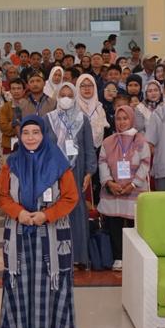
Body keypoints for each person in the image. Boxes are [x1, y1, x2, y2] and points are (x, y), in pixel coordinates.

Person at [0, 115, 78, 328]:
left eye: (35, 132)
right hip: (19, 229)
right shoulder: (11, 163)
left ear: (44, 134)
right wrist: (19, 212)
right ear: (19, 136)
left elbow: (70, 197)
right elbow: (1, 195)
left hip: (51, 230)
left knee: (49, 280)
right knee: (21, 279)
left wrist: (47, 215)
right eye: (26, 133)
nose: (30, 137)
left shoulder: (59, 162)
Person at [46, 82, 96, 267]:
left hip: (77, 172)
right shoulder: (48, 119)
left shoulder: (83, 119)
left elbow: (89, 147)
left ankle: (77, 256)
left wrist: (89, 172)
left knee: (76, 210)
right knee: (55, 209)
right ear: (57, 97)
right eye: (62, 95)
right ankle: (55, 254)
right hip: (53, 174)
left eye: (69, 95)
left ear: (75, 98)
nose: (66, 98)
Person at [97, 104, 149, 270]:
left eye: (125, 118)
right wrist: (109, 182)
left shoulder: (141, 140)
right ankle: (118, 257)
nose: (121, 122)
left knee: (135, 224)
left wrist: (133, 184)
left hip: (134, 189)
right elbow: (102, 162)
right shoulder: (108, 141)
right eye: (118, 119)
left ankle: (135, 257)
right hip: (114, 189)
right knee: (114, 223)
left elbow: (145, 163)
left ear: (131, 119)